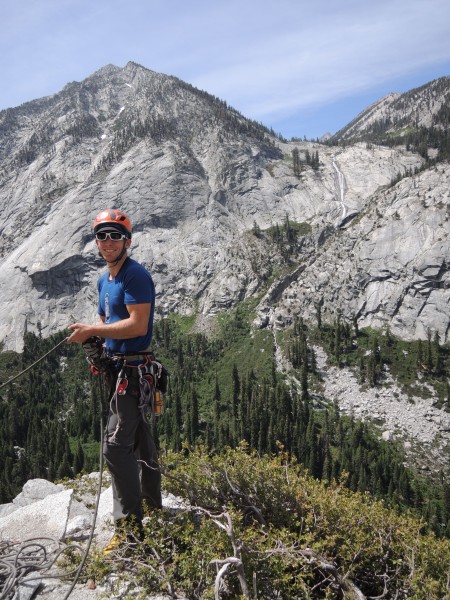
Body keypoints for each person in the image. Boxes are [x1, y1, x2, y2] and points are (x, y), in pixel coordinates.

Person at [67, 208, 162, 552]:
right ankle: (153, 504)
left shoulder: (135, 276)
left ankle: (130, 531)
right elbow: (109, 317)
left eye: (115, 236)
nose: (108, 242)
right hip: (119, 368)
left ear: (127, 241)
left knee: (115, 447)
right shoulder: (104, 280)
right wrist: (95, 336)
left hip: (133, 373)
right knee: (139, 441)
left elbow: (138, 325)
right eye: (102, 236)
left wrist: (94, 330)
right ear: (97, 242)